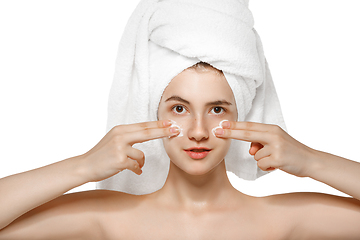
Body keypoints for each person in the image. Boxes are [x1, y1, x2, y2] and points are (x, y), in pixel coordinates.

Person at [1, 1, 360, 240]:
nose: (199, 132)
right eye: (178, 108)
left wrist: (312, 161)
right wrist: (83, 166)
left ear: (243, 115)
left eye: (218, 109)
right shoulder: (109, 219)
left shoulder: (282, 220)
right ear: (152, 112)